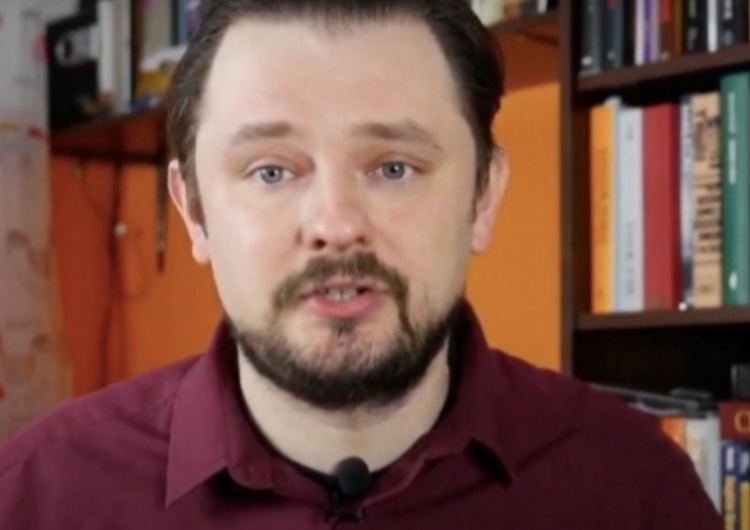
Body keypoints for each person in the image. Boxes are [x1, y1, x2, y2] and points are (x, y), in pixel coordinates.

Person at [0, 1, 721, 528]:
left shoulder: (636, 492)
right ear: (193, 212)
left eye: (394, 167)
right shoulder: (36, 498)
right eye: (272, 171)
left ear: (483, 195)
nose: (336, 225)